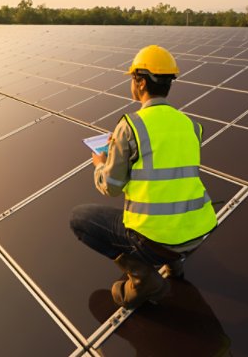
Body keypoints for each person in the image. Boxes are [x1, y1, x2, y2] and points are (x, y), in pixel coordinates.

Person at [70, 45, 217, 309]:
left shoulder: (131, 125)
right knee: (168, 207)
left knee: (79, 218)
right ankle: (175, 266)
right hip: (197, 234)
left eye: (132, 79)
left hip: (152, 240)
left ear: (139, 82)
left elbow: (111, 187)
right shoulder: (192, 125)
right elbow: (171, 176)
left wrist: (100, 164)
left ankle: (143, 278)